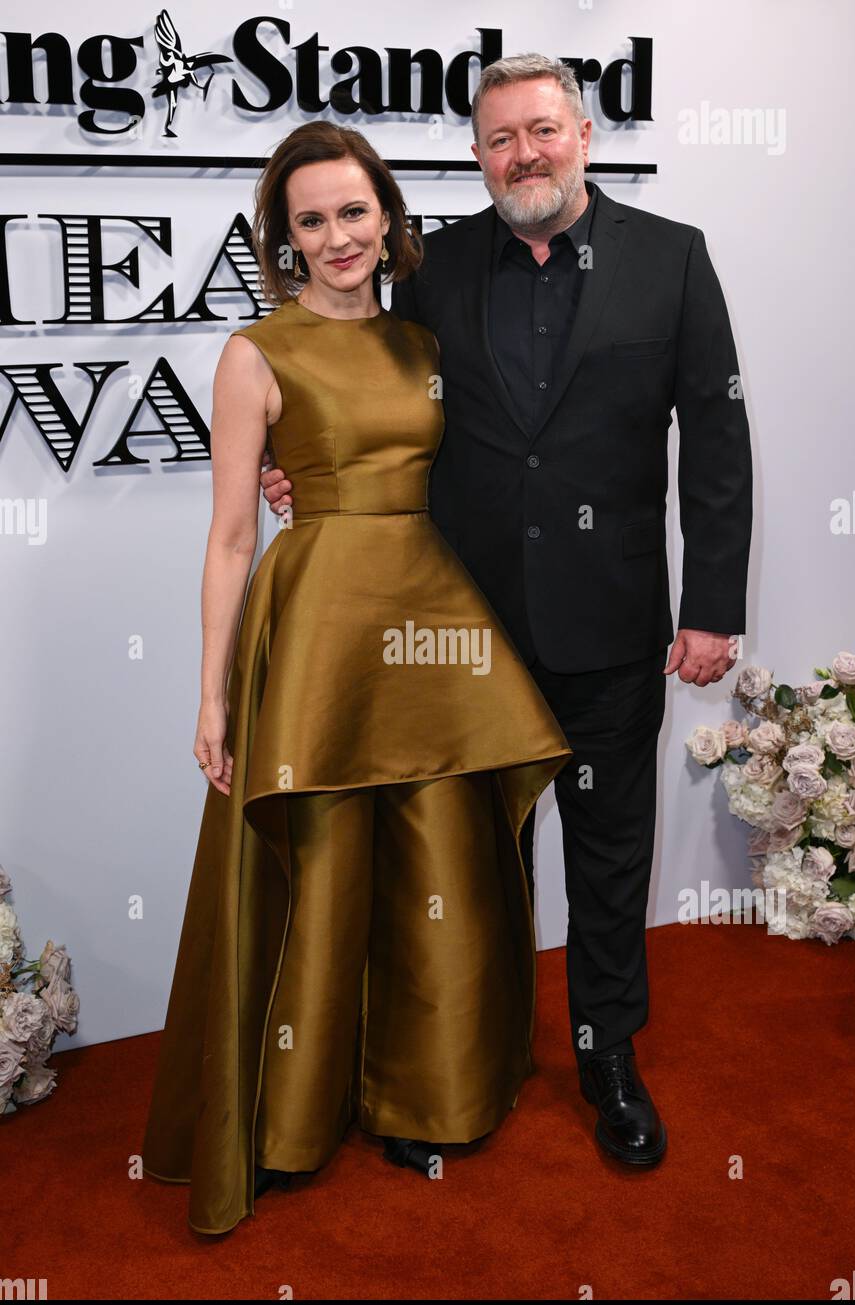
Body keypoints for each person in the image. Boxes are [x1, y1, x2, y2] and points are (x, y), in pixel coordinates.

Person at [261, 55, 754, 1168]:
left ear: (581, 133)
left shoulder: (670, 258)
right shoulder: (432, 269)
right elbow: (372, 399)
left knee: (610, 854)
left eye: (539, 131)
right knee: (464, 866)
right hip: (459, 630)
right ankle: (459, 1066)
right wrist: (299, 469)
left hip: (612, 619)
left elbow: (715, 446)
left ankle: (607, 1059)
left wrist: (712, 606)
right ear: (476, 154)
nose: (520, 155)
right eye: (497, 140)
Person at [141, 120, 571, 1236]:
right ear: (284, 239)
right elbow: (231, 535)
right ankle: (291, 1113)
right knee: (323, 859)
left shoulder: (426, 341)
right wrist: (210, 691)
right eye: (312, 220)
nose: (338, 237)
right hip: (322, 622)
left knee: (437, 847)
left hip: (427, 622)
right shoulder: (255, 353)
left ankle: (421, 1096)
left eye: (353, 211)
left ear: (387, 216)